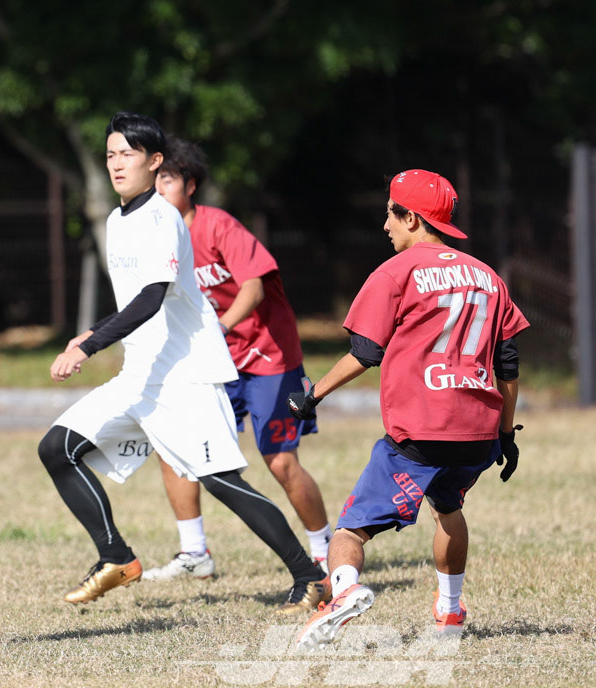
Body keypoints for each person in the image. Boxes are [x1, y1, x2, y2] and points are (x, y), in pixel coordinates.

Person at [38, 113, 326, 612]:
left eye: (128, 154)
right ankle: (116, 557)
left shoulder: (162, 219)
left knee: (220, 482)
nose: (116, 164)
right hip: (140, 374)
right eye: (110, 155)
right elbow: (134, 303)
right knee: (56, 448)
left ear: (154, 162)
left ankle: (310, 575)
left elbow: (153, 298)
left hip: (187, 377)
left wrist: (88, 346)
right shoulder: (116, 220)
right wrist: (93, 330)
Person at [293, 170, 527, 652]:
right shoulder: (488, 277)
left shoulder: (396, 272)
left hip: (421, 431)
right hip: (477, 434)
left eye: (391, 214)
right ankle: (451, 610)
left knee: (350, 530)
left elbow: (365, 353)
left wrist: (314, 394)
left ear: (413, 218)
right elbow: (508, 366)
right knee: (448, 507)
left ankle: (344, 592)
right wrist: (506, 434)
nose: (385, 225)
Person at [141, 138, 331, 590]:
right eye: (154, 180)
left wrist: (220, 327)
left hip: (268, 354)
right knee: (174, 447)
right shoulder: (154, 237)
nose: (159, 189)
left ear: (190, 184)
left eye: (167, 179)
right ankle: (194, 554)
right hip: (212, 361)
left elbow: (254, 288)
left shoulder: (218, 226)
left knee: (280, 461)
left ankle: (325, 551)